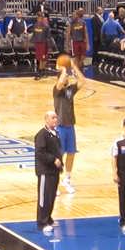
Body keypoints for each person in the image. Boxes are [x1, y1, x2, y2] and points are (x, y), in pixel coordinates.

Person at [51, 57, 81, 191]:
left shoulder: (70, 90)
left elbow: (83, 81)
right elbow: (60, 82)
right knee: (59, 155)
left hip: (70, 126)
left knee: (71, 153)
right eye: (65, 77)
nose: (67, 78)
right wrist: (63, 68)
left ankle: (67, 179)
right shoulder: (56, 90)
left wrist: (74, 67)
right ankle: (55, 182)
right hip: (60, 127)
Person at [33, 109, 63, 233]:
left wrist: (60, 165)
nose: (55, 120)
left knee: (51, 196)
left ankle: (48, 218)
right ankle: (42, 222)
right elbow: (40, 152)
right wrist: (53, 160)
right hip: (45, 171)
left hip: (54, 171)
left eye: (56, 117)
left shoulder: (55, 133)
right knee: (44, 197)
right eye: (53, 118)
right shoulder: (42, 134)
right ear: (46, 119)